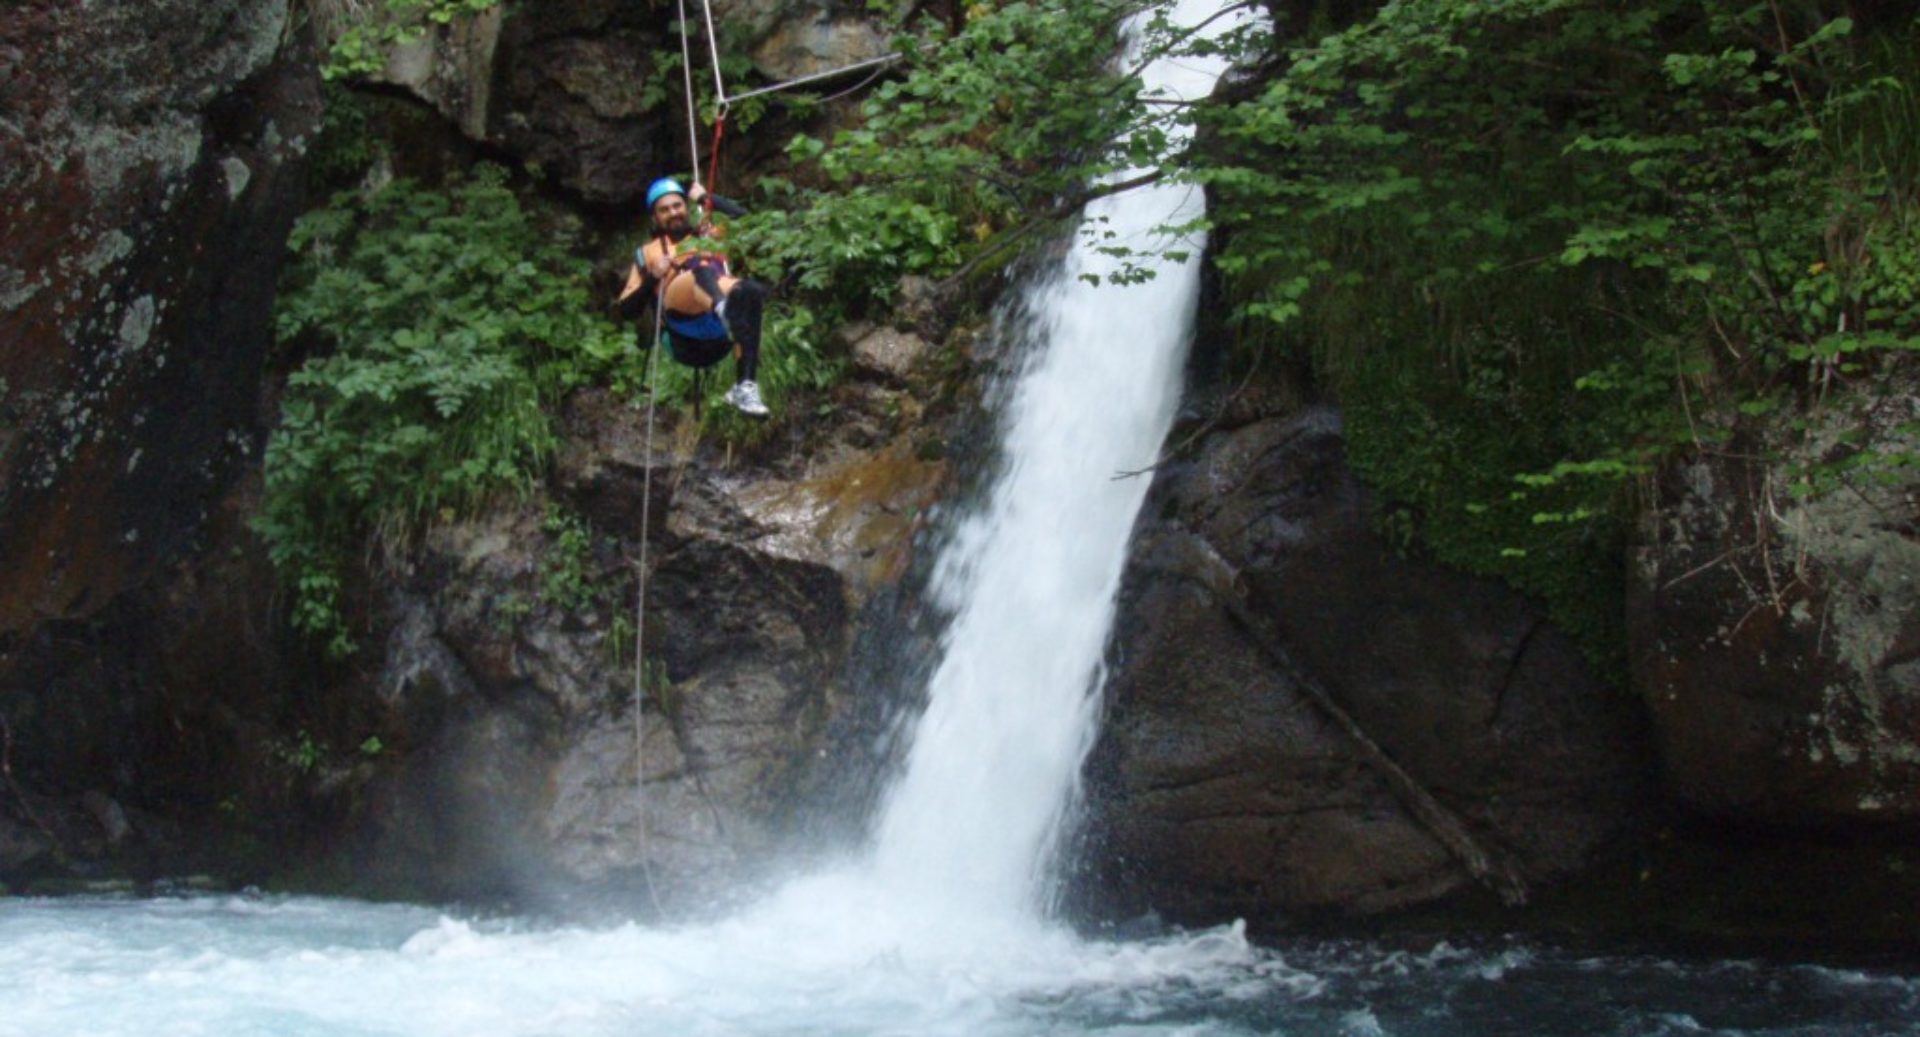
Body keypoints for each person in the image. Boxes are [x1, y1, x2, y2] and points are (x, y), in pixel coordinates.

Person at [615, 176, 772, 417]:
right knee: (700, 270)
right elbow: (626, 310)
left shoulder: (709, 234)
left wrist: (706, 198)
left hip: (719, 338)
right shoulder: (648, 253)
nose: (673, 213)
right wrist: (653, 277)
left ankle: (745, 386)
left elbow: (749, 222)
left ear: (686, 208)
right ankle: (725, 309)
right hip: (683, 333)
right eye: (664, 210)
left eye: (677, 205)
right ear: (655, 218)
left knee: (749, 291)